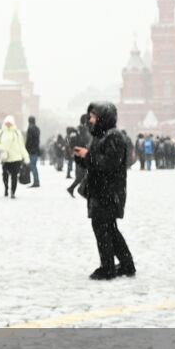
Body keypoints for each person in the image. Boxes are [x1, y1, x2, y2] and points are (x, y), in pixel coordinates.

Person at [72, 102, 136, 280]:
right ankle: (126, 264)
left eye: (92, 116)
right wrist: (81, 158)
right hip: (101, 191)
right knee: (108, 228)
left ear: (102, 117)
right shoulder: (101, 136)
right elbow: (95, 164)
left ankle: (107, 267)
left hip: (109, 192)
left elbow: (108, 165)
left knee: (103, 229)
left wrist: (88, 156)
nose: (89, 120)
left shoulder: (113, 137)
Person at [0, 115, 30, 198]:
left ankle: (13, 192)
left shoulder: (17, 133)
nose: (8, 125)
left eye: (10, 123)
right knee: (5, 175)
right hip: (5, 158)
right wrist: (2, 148)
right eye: (7, 123)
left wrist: (26, 157)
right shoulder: (0, 133)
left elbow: (21, 146)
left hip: (16, 158)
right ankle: (6, 188)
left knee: (14, 176)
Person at [67, 116, 91, 197]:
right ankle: (77, 189)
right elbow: (85, 142)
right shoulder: (83, 130)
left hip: (81, 155)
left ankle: (73, 188)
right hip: (82, 155)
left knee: (83, 175)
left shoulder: (78, 130)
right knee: (82, 175)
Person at [25, 115, 43, 187]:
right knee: (34, 166)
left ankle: (36, 182)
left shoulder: (30, 129)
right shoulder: (37, 129)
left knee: (33, 166)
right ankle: (36, 181)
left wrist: (26, 149)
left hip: (31, 150)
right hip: (36, 150)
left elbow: (29, 141)